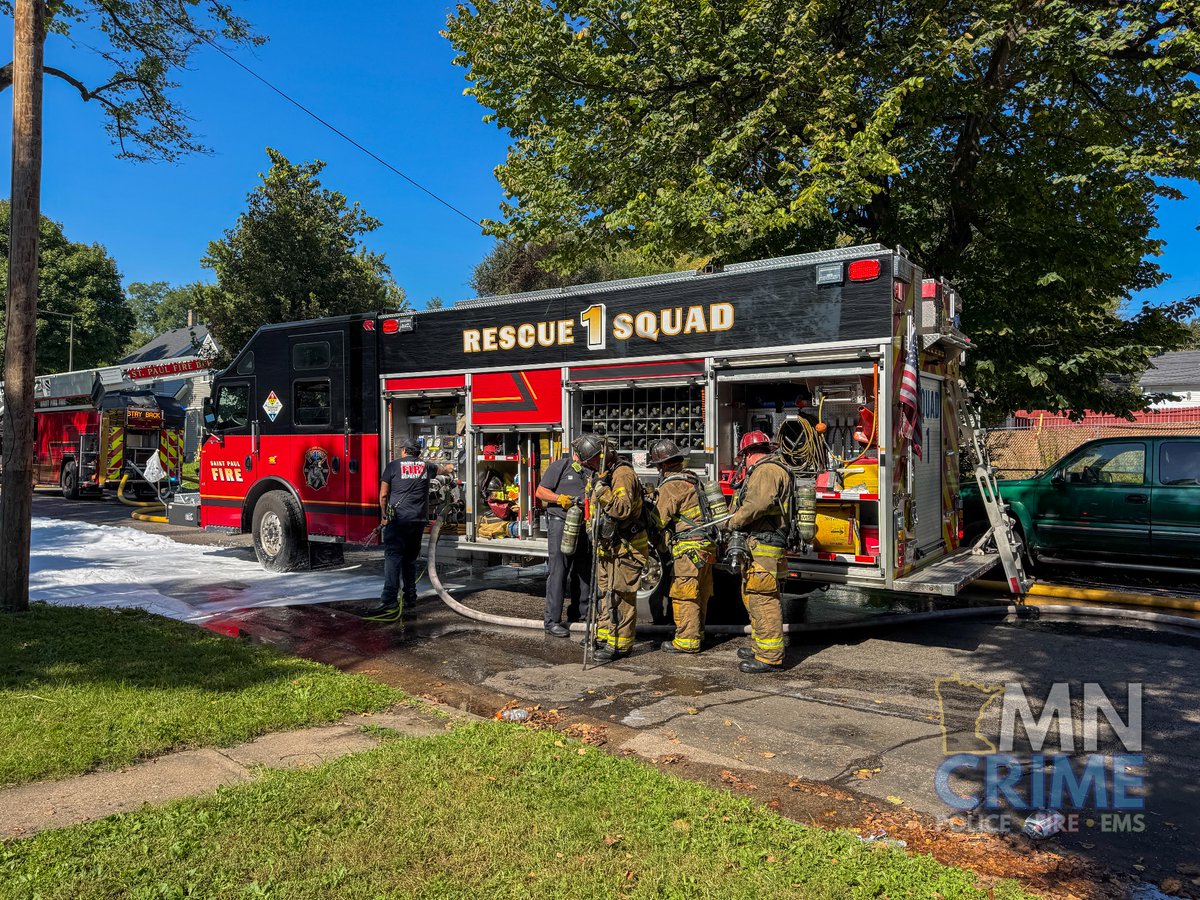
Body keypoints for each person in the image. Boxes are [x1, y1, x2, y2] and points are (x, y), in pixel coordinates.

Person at [361, 438, 454, 622]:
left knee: (393, 559)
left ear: (404, 451)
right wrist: (450, 467)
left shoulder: (393, 466)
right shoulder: (427, 467)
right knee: (410, 559)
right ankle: (410, 597)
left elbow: (383, 495)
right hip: (418, 522)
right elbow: (443, 469)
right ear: (417, 452)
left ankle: (389, 600)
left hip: (398, 521)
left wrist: (384, 516)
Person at [577, 433, 646, 661]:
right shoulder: (601, 474)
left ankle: (620, 645)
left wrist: (602, 492)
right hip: (606, 547)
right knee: (605, 595)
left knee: (621, 597)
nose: (589, 467)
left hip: (626, 548)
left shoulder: (622, 474)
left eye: (591, 462)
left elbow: (622, 510)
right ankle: (605, 636)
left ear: (602, 455)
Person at [726, 430, 791, 673]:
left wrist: (733, 521)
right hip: (762, 548)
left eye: (744, 456)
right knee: (754, 598)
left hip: (764, 548)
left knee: (763, 601)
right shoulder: (773, 468)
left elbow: (757, 504)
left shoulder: (766, 471)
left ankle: (769, 657)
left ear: (749, 454)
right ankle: (760, 647)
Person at [649, 439, 716, 654]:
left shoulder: (671, 486)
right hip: (706, 547)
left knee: (684, 594)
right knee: (700, 593)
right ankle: (697, 633)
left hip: (688, 550)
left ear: (663, 465)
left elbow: (657, 520)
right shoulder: (693, 479)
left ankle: (686, 641)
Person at [534, 444, 592, 637]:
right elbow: (540, 492)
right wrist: (560, 499)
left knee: (584, 571)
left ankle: (581, 616)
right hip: (561, 523)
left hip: (584, 524)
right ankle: (552, 621)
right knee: (559, 571)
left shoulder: (592, 471)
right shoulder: (561, 466)